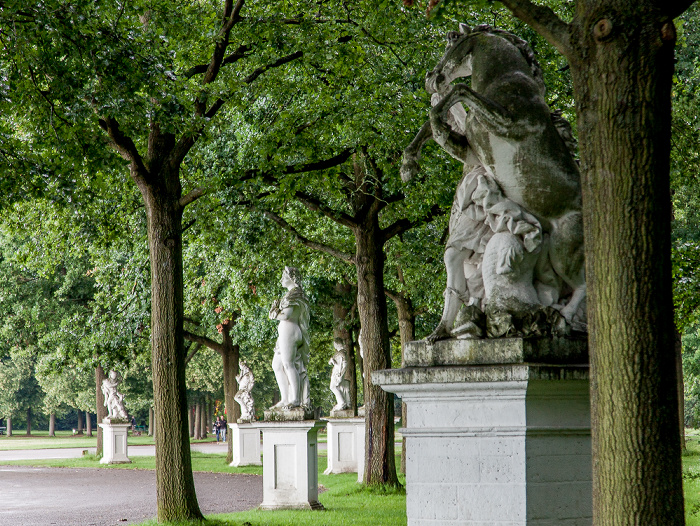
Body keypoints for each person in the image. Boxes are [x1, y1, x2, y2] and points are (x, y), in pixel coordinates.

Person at [269, 266, 311, 409]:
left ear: (291, 278)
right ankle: (285, 398)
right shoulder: (292, 294)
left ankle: (295, 399)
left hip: (290, 331)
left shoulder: (294, 294)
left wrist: (274, 313)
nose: (281, 279)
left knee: (288, 364)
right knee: (277, 365)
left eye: (284, 276)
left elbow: (286, 315)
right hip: (285, 332)